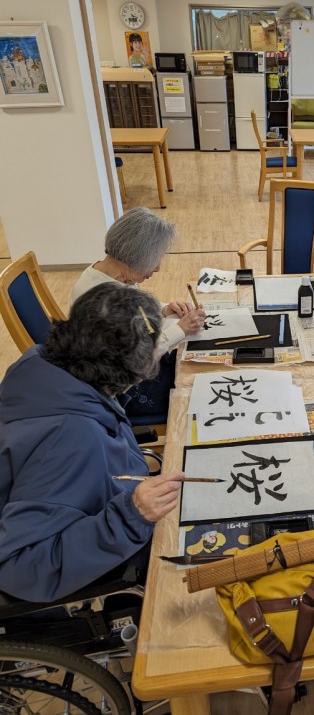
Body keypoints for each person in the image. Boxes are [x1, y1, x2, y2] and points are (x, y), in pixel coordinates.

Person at [0, 284, 183, 602]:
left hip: (105, 506)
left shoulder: (44, 367)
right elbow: (22, 566)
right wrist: (132, 516)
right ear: (135, 372)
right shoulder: (72, 438)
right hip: (99, 544)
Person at [71, 208, 205, 417]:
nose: (158, 268)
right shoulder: (103, 301)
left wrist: (163, 309)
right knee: (196, 393)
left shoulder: (104, 273)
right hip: (122, 392)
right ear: (136, 257)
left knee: (194, 362)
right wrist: (180, 329)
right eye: (155, 260)